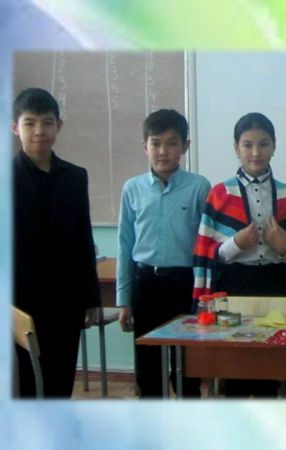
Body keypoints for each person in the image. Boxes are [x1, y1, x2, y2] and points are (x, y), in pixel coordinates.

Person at [192, 112, 286, 397]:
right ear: (236, 148)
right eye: (247, 145)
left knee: (269, 362)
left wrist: (284, 248)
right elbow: (208, 255)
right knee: (236, 364)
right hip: (233, 286)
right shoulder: (219, 195)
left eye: (264, 144)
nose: (256, 152)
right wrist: (236, 244)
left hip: (275, 283)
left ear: (274, 146)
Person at [12, 87, 100, 397]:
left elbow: (83, 238)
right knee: (24, 385)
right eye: (30, 123)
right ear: (15, 128)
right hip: (19, 301)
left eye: (47, 122)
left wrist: (91, 297)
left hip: (65, 300)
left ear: (58, 126)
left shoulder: (75, 177)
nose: (39, 131)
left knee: (60, 381)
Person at [117, 109, 211, 398]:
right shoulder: (132, 189)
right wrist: (124, 300)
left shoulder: (199, 187)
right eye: (155, 143)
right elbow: (124, 244)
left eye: (172, 143)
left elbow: (207, 245)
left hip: (185, 285)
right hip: (145, 284)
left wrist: (206, 297)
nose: (163, 151)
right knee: (148, 368)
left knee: (187, 366)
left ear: (185, 146)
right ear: (144, 146)